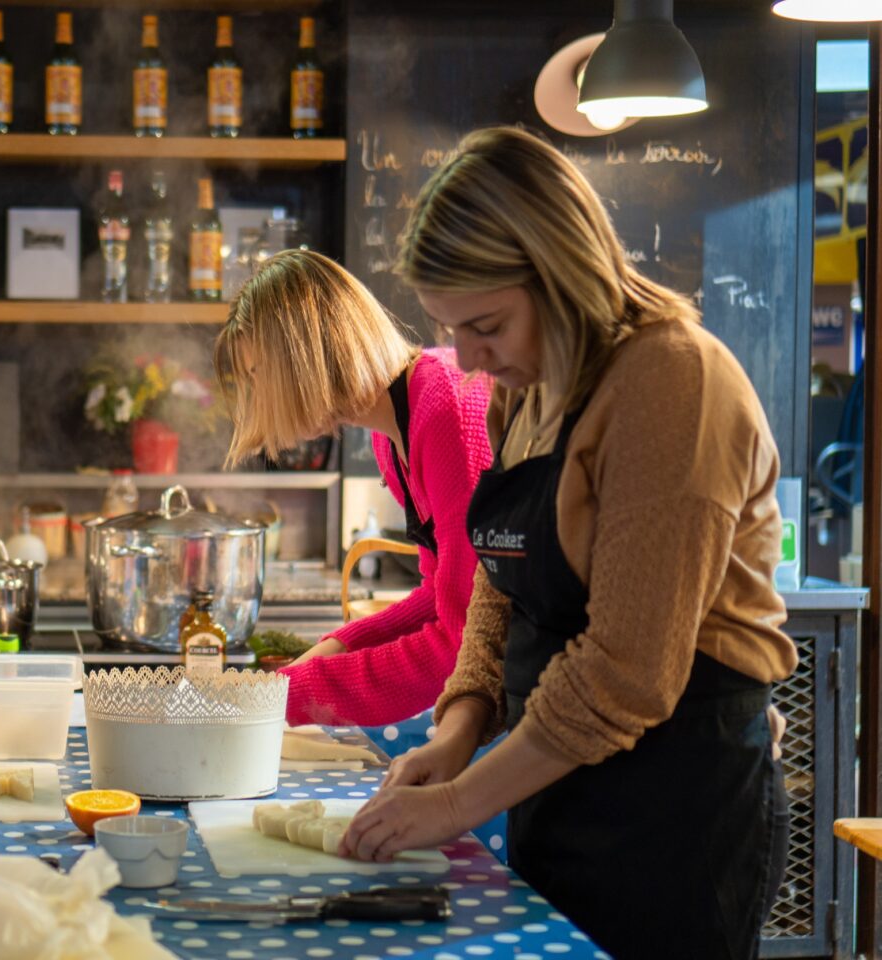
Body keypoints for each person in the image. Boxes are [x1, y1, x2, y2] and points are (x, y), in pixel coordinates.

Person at [338, 127, 793, 960]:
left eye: (486, 326)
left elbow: (626, 670)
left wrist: (456, 806)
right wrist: (460, 728)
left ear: (559, 270)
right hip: (555, 785)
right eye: (452, 330)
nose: (469, 361)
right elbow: (501, 584)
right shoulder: (531, 389)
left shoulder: (671, 382)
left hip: (674, 814)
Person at [214, 249, 492, 726]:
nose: (258, 398)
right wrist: (338, 644)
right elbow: (439, 596)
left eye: (258, 375)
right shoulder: (391, 436)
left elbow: (462, 640)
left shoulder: (444, 409)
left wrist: (290, 695)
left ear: (301, 359)